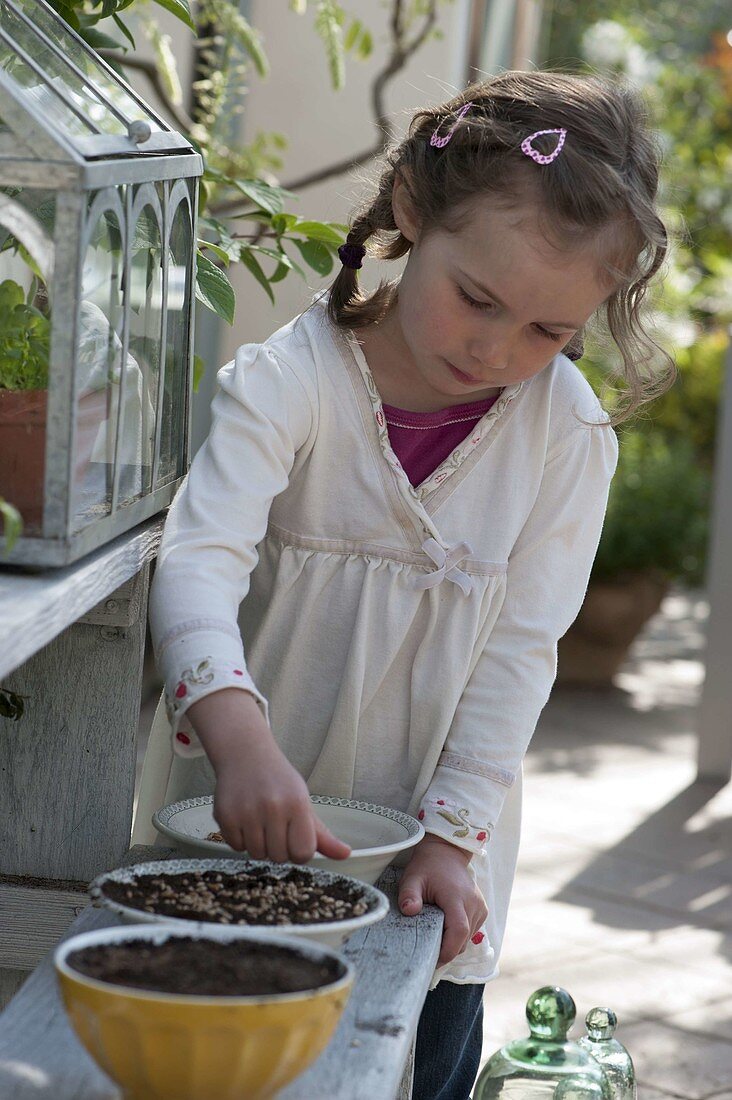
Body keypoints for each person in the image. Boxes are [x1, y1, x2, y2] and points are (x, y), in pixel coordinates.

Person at [143, 71, 672, 1099]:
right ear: (413, 214)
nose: (495, 347)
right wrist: (240, 746)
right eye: (478, 298)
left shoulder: (563, 438)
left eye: (548, 331)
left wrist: (450, 837)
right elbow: (199, 558)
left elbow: (522, 649)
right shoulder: (291, 383)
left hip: (431, 875)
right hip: (241, 833)